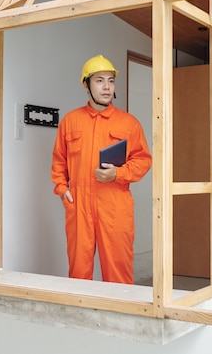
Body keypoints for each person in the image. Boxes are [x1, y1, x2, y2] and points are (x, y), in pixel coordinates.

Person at [51, 54, 152, 284]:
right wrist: (61, 188)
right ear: (86, 85)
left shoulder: (128, 123)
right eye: (99, 80)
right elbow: (59, 160)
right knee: (78, 271)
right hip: (79, 206)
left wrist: (118, 173)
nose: (107, 86)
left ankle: (121, 316)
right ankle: (81, 316)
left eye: (110, 80)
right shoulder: (70, 121)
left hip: (114, 205)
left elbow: (143, 160)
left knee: (118, 270)